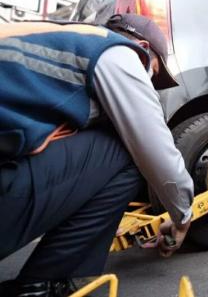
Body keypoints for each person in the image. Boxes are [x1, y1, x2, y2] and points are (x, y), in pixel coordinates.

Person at [0, 15, 194, 297]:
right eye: (151, 72)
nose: (150, 85)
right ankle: (43, 285)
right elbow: (152, 146)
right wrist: (183, 215)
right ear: (141, 47)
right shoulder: (115, 52)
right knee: (126, 150)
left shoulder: (56, 37)